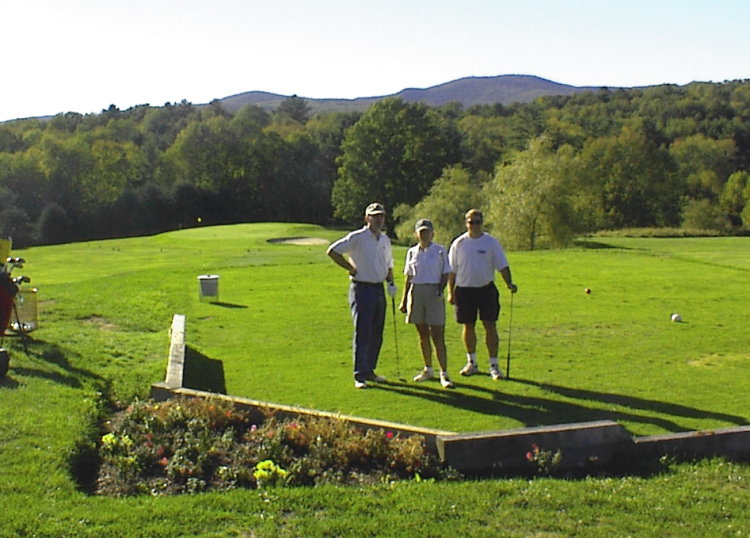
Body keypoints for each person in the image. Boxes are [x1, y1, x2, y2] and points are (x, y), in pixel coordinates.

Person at [327, 202, 397, 389]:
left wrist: (391, 283)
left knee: (376, 333)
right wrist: (350, 268)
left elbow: (388, 264)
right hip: (362, 289)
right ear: (367, 218)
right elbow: (333, 251)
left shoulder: (385, 239)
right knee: (363, 332)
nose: (379, 219)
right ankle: (359, 375)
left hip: (379, 289)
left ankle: (369, 370)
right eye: (375, 216)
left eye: (381, 216)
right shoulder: (357, 237)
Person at [447, 209, 518, 380]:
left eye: (477, 222)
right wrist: (450, 292)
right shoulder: (459, 243)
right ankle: (471, 363)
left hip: (486, 290)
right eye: (471, 222)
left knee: (490, 325)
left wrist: (509, 283)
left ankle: (494, 365)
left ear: (482, 223)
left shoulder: (491, 242)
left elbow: (502, 265)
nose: (474, 225)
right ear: (466, 223)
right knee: (468, 326)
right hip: (464, 290)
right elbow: (451, 270)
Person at [398, 219, 454, 389]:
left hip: (433, 291)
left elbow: (446, 273)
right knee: (422, 333)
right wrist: (404, 300)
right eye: (421, 232)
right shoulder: (412, 252)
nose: (424, 235)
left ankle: (444, 373)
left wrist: (440, 289)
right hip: (416, 291)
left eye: (427, 231)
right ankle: (428, 369)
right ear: (416, 234)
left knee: (437, 334)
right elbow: (408, 277)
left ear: (432, 233)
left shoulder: (440, 250)